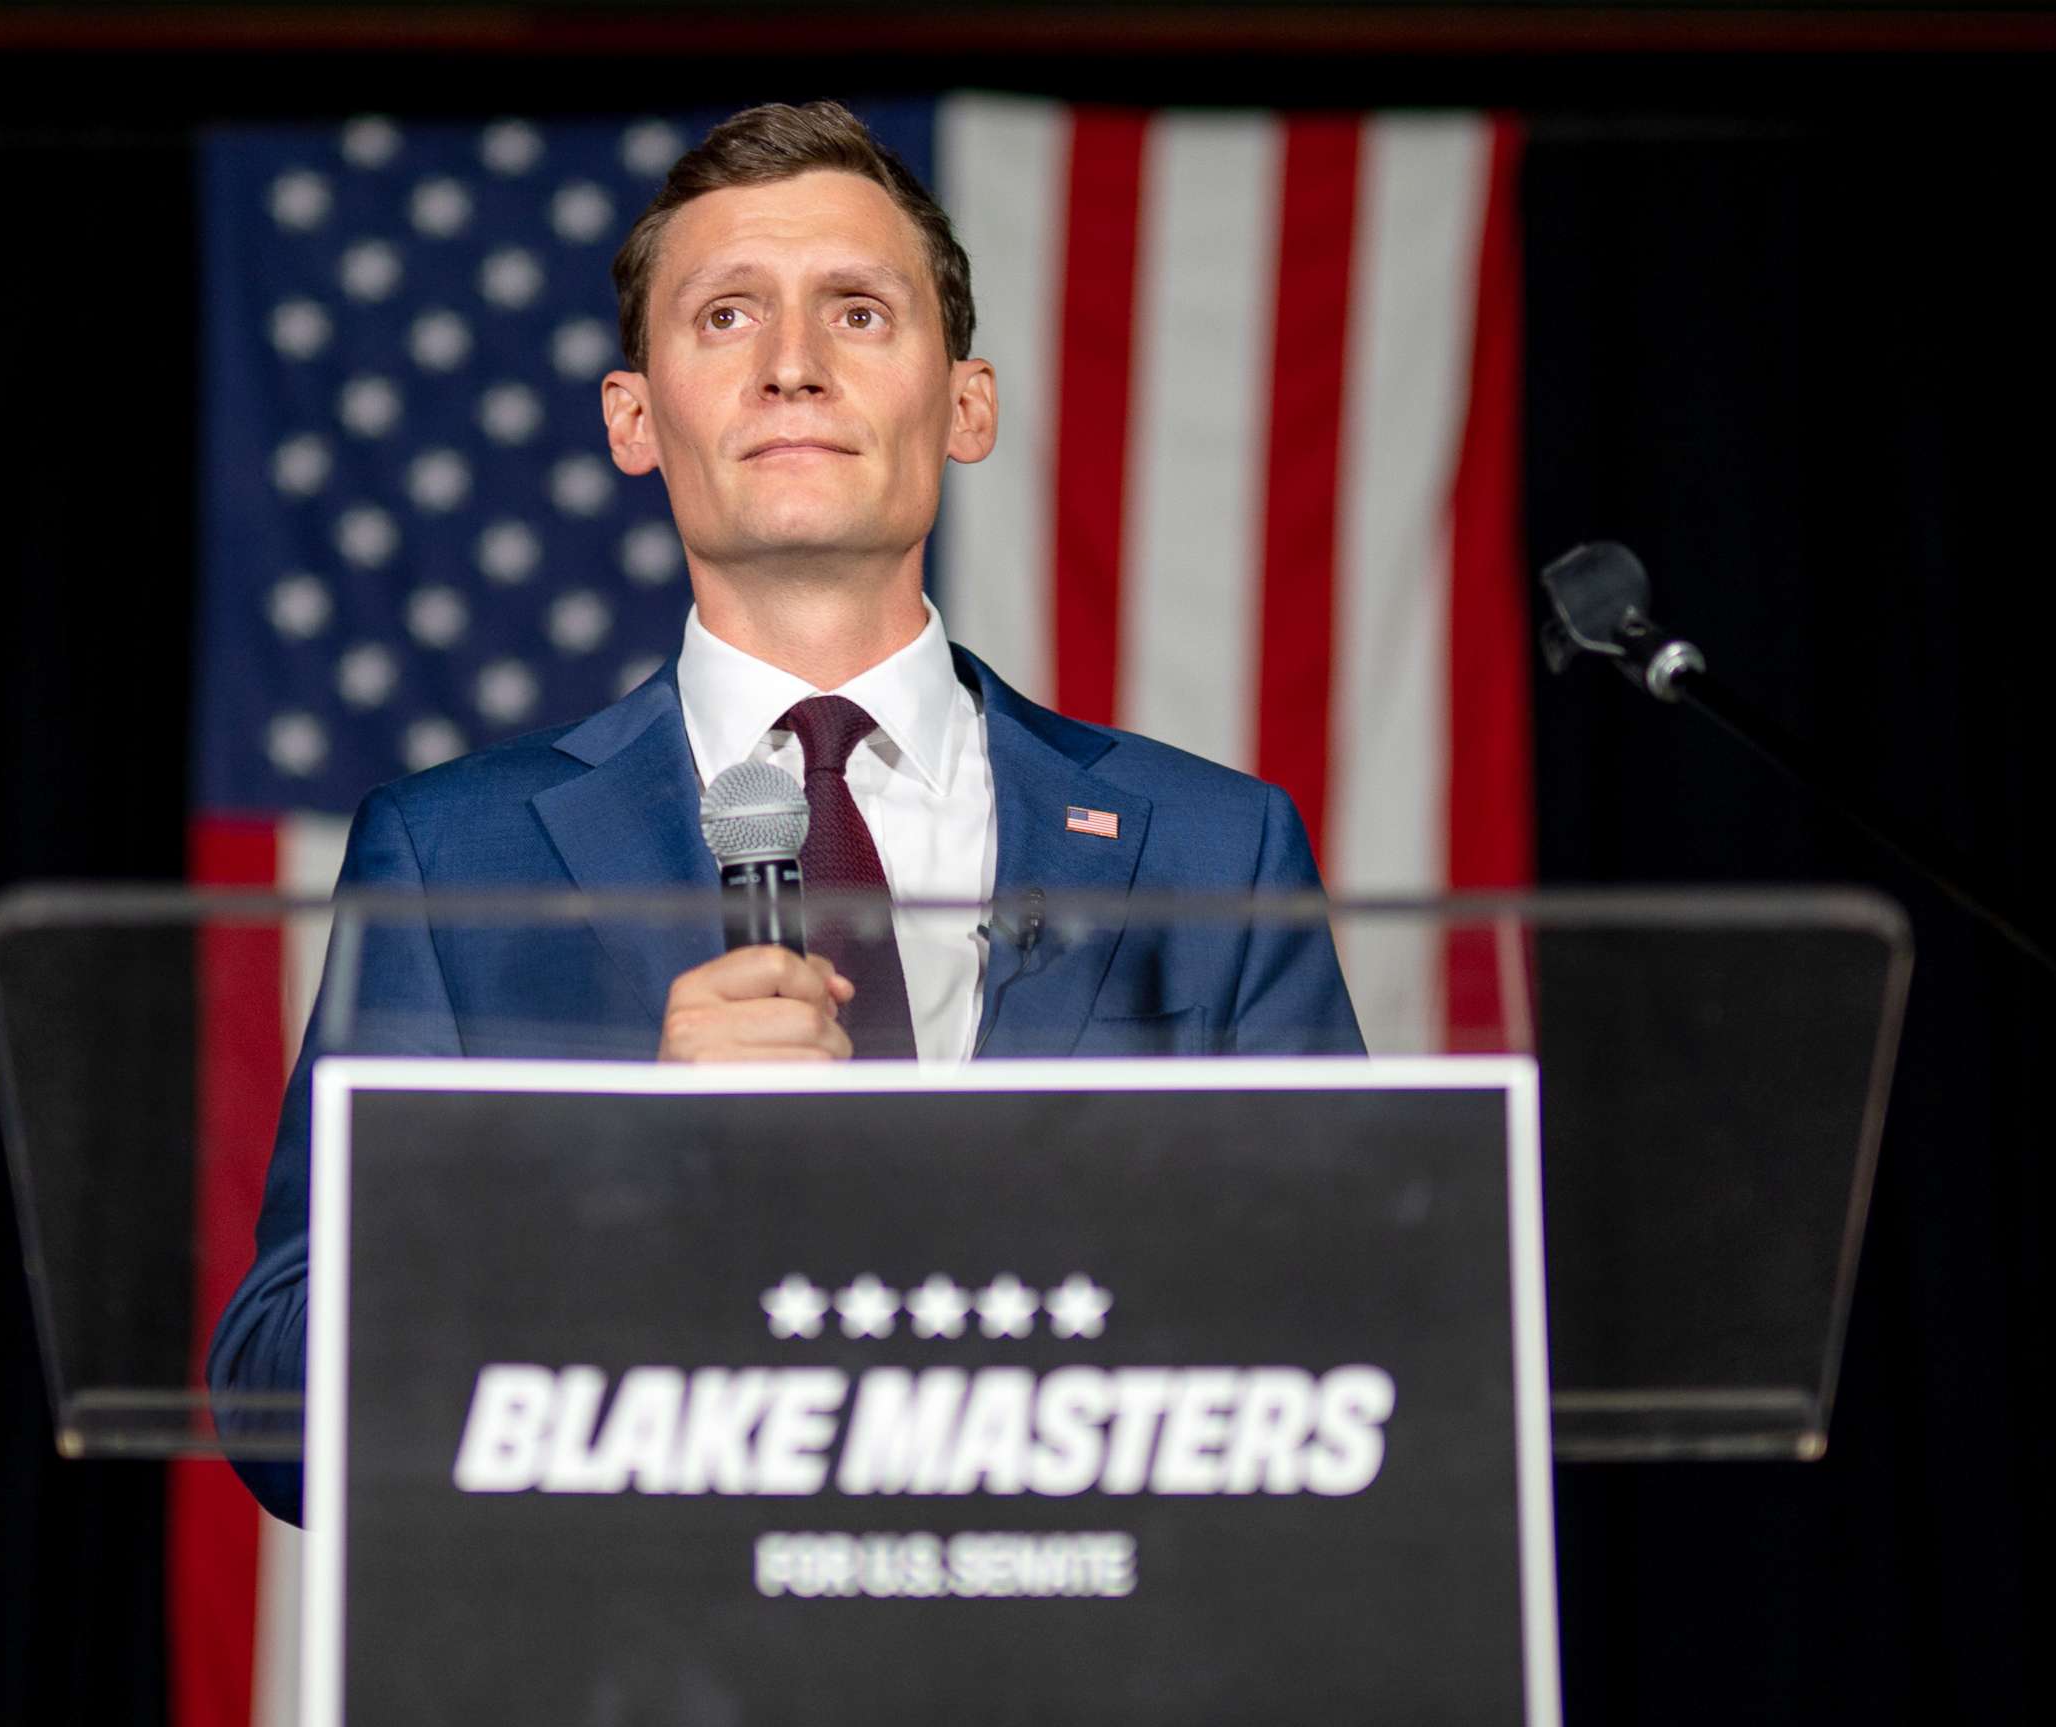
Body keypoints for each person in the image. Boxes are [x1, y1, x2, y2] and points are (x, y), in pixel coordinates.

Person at [211, 100, 1363, 1524]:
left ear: (967, 404)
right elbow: (279, 1396)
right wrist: (624, 1171)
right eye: (727, 317)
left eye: (861, 314)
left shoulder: (1212, 850)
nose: (794, 368)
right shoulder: (456, 859)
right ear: (635, 421)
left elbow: (1364, 1322)